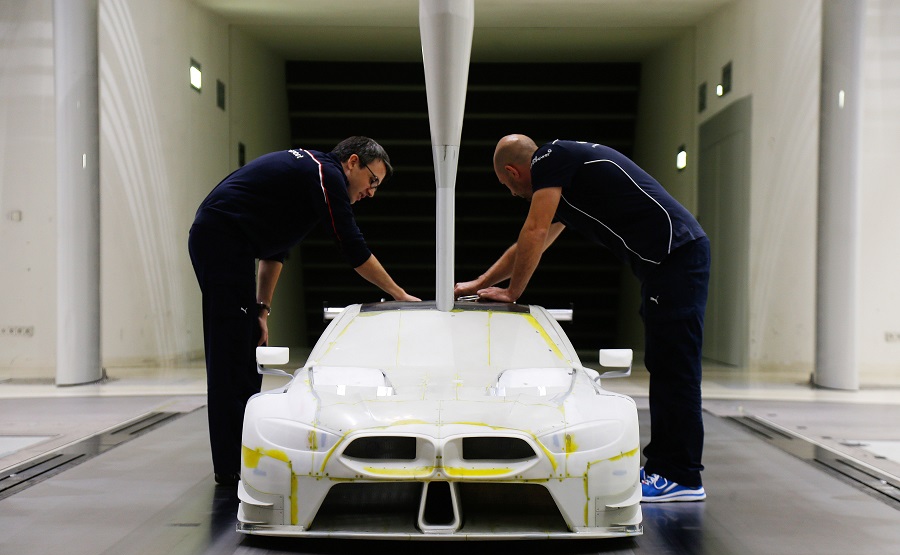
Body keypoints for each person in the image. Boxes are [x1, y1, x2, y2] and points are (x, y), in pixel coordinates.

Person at [455, 134, 710, 502]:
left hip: (678, 256)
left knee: (675, 368)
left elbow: (534, 230)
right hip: (667, 264)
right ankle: (665, 466)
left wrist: (512, 293)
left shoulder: (550, 158)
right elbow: (530, 244)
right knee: (665, 363)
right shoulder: (565, 179)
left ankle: (680, 475)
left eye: (506, 185)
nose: (511, 193)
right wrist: (479, 283)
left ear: (512, 171)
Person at [189, 136, 420, 485]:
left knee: (246, 347)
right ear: (352, 162)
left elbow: (275, 252)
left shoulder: (307, 182)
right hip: (221, 238)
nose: (372, 193)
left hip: (231, 242)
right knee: (229, 353)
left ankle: (242, 453)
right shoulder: (324, 173)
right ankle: (230, 465)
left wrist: (261, 310)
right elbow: (351, 245)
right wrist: (399, 294)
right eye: (372, 180)